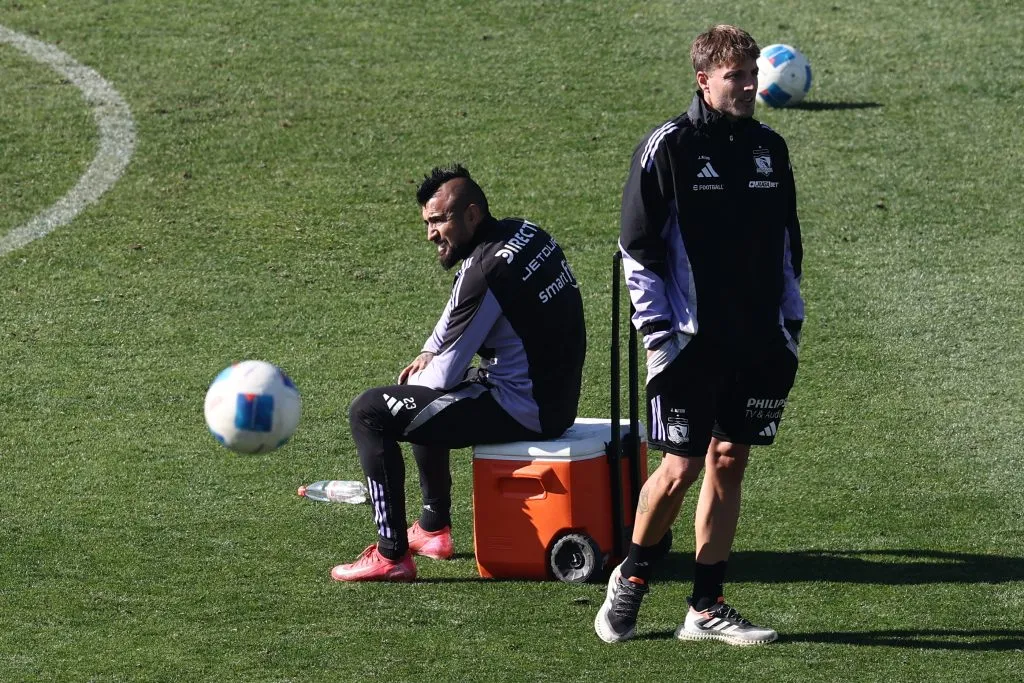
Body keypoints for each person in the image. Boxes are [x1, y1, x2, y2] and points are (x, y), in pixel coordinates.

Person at [594, 25, 804, 645]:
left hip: (759, 339)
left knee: (729, 458)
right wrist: (660, 337)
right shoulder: (668, 148)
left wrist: (789, 325)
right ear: (703, 80)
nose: (747, 86)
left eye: (751, 74)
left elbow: (789, 246)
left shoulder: (770, 147)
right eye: (734, 76)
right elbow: (637, 252)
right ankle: (630, 579)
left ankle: (705, 605)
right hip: (690, 342)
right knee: (681, 465)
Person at [332, 164, 587, 582]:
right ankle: (433, 530)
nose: (431, 233)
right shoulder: (525, 233)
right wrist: (429, 349)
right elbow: (460, 311)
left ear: (470, 215)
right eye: (428, 222)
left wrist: (418, 381)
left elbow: (442, 378)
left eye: (438, 221)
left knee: (371, 411)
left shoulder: (484, 272)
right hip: (552, 395)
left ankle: (392, 554)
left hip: (523, 408)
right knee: (418, 400)